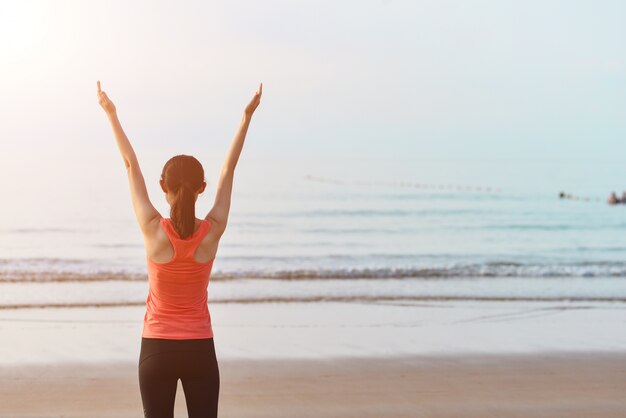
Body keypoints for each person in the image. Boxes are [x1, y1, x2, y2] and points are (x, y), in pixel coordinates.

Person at [97, 80, 262, 418]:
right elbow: (229, 170)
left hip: (156, 349)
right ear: (201, 189)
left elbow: (130, 164)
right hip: (199, 349)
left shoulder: (152, 230)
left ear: (163, 188)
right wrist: (246, 117)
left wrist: (111, 113)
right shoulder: (211, 232)